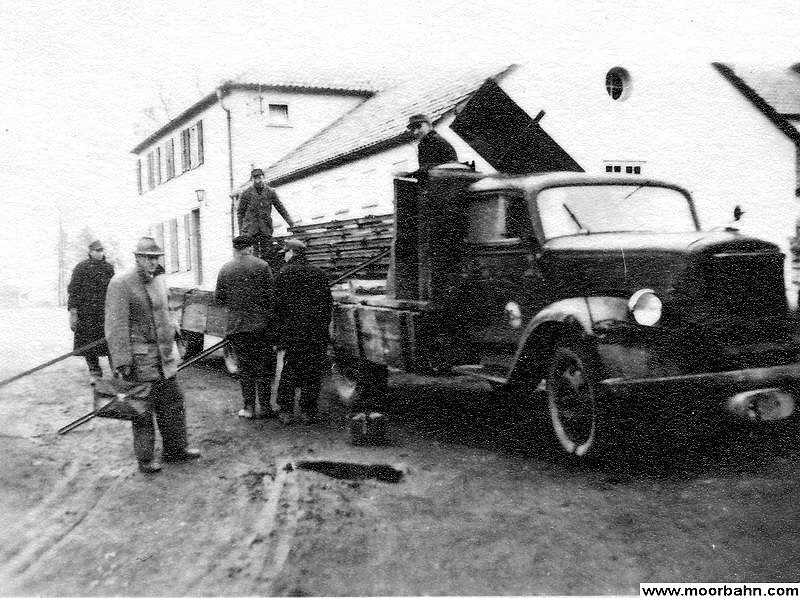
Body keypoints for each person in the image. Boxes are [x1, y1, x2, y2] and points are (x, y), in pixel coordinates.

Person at [105, 237, 201, 474]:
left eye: (156, 257)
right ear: (137, 257)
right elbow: (115, 326)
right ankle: (145, 459)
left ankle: (176, 450)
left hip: (164, 358)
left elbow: (166, 309)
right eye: (148, 257)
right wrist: (122, 361)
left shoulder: (159, 280)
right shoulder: (121, 283)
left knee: (173, 403)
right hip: (139, 360)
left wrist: (174, 327)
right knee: (141, 410)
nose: (152, 262)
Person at [214, 234, 278, 420]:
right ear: (250, 248)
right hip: (261, 327)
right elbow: (271, 297)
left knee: (245, 368)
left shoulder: (225, 269)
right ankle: (265, 407)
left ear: (235, 249)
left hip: (238, 328)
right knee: (264, 368)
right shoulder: (262, 266)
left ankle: (249, 408)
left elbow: (219, 299)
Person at [274, 238, 333, 425]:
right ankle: (308, 412)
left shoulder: (282, 274)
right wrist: (323, 328)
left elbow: (277, 308)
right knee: (313, 371)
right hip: (315, 331)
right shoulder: (320, 274)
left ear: (291, 253)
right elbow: (327, 306)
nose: (284, 257)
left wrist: (279, 335)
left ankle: (286, 411)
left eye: (285, 254)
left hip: (292, 332)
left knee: (290, 369)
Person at [67, 240, 115, 384]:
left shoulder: (109, 268)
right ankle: (95, 372)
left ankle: (117, 371)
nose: (100, 253)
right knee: (89, 344)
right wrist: (73, 312)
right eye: (96, 250)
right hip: (86, 315)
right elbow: (73, 291)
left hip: (105, 313)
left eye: (101, 250)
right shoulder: (80, 268)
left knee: (112, 342)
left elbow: (114, 289)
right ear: (90, 252)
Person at [237, 168, 295, 268]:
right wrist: (241, 232)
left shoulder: (270, 192)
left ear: (263, 177)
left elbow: (281, 208)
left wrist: (292, 224)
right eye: (255, 178)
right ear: (252, 180)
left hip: (265, 228)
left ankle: (264, 275)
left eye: (259, 177)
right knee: (251, 255)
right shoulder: (246, 193)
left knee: (267, 254)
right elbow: (240, 213)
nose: (258, 180)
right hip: (250, 229)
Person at [406, 113, 458, 180]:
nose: (415, 132)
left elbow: (450, 166)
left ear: (429, 126)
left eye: (418, 126)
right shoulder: (424, 144)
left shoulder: (435, 140)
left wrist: (411, 175)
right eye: (413, 129)